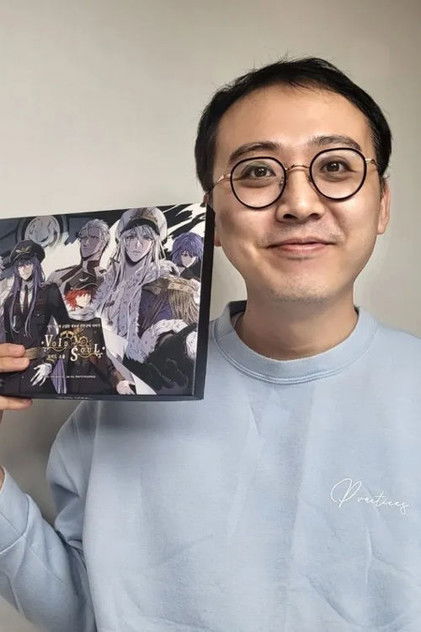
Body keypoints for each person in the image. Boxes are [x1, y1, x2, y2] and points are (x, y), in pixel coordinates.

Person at [0, 56, 421, 632]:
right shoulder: (120, 399)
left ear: (383, 204)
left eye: (336, 166)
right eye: (257, 172)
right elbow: (82, 609)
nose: (300, 203)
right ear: (213, 218)